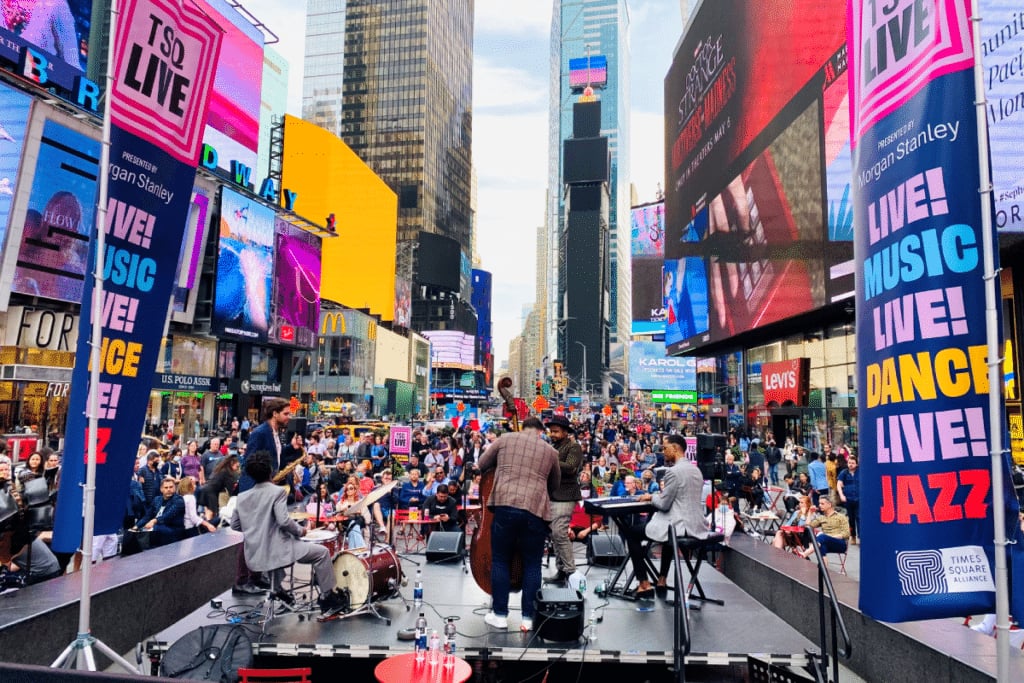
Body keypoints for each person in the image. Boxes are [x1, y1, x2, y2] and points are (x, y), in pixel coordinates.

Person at [230, 452, 346, 613]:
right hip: (278, 551)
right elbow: (284, 521)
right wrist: (301, 531)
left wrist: (256, 528)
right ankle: (329, 598)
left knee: (274, 561)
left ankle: (281, 593)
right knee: (322, 553)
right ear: (270, 471)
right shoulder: (277, 492)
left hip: (255, 557)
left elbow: (235, 525)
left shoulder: (242, 497)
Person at [478, 416, 560, 632]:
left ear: (523, 428)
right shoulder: (551, 452)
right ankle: (528, 619)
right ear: (540, 432)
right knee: (533, 564)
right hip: (535, 511)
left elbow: (481, 464)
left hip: (505, 504)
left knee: (500, 560)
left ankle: (500, 615)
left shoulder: (505, 439)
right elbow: (555, 485)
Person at [621, 434, 709, 597]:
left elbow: (663, 504)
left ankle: (644, 583)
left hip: (679, 525)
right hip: (695, 525)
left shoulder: (673, 472)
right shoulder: (696, 470)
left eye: (665, 448)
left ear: (675, 448)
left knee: (631, 533)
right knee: (667, 535)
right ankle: (661, 579)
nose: (663, 452)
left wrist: (651, 496)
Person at [544, 415, 584, 584]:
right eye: (551, 431)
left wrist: (550, 458)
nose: (552, 434)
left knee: (559, 531)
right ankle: (561, 570)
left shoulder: (574, 447)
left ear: (566, 432)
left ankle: (570, 571)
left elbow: (571, 468)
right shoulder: (553, 446)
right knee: (554, 533)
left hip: (566, 494)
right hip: (553, 494)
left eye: (556, 431)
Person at [240, 398, 292, 492]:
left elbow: (275, 455)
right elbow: (248, 464)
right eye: (286, 414)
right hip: (256, 490)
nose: (289, 417)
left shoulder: (276, 432)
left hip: (267, 488)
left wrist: (293, 447)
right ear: (275, 414)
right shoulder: (260, 433)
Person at [131, 477, 186, 548]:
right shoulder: (157, 499)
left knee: (155, 529)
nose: (169, 489)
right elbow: (147, 516)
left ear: (175, 488)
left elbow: (168, 515)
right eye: (166, 487)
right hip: (158, 529)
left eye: (171, 487)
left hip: (173, 530)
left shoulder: (179, 500)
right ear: (161, 489)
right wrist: (136, 526)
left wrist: (154, 521)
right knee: (135, 531)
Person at [836, 456, 860, 544]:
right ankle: (852, 536)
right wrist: (841, 495)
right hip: (848, 498)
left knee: (859, 517)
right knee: (851, 518)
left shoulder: (860, 471)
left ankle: (860, 537)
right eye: (849, 463)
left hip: (859, 498)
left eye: (853, 463)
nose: (851, 465)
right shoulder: (844, 473)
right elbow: (838, 484)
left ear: (856, 464)